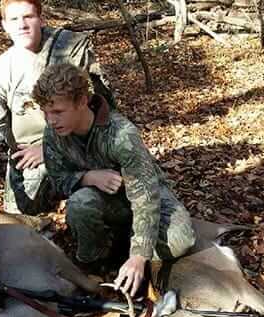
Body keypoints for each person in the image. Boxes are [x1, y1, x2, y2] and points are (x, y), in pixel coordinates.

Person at [32, 63, 196, 297]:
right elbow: (58, 180)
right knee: (80, 205)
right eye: (45, 112)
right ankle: (96, 261)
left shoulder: (121, 135)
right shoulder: (53, 136)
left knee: (182, 240)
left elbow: (146, 196)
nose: (50, 120)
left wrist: (139, 256)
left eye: (57, 112)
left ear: (82, 102)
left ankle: (129, 248)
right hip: (107, 203)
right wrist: (87, 177)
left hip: (143, 195)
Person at [0, 0, 114, 215]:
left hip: (80, 144)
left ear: (41, 18)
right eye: (14, 19)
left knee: (96, 202)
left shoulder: (72, 50)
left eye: (28, 16)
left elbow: (103, 109)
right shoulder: (0, 72)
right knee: (20, 213)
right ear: (4, 25)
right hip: (29, 154)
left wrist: (48, 149)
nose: (22, 25)